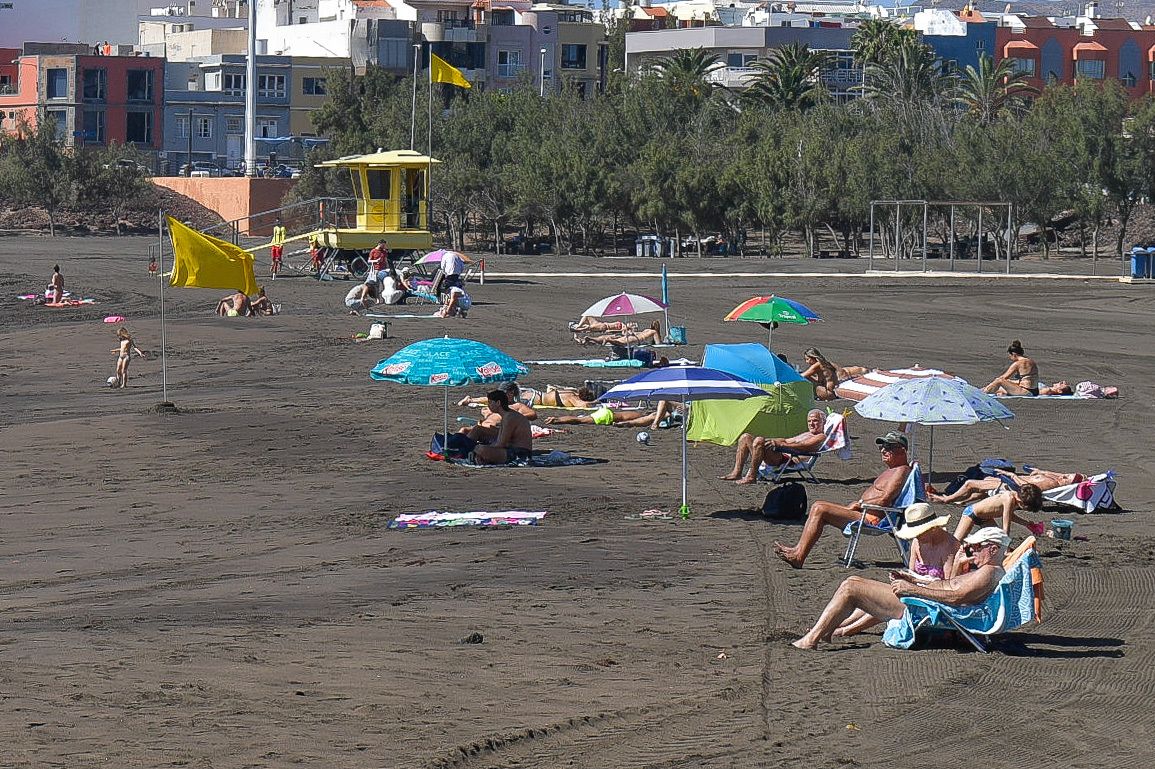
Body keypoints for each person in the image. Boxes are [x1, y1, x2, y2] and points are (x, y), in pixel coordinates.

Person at [791, 526, 1010, 650]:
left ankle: (812, 639)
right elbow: (950, 587)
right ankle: (823, 633)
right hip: (930, 604)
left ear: (993, 548)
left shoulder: (988, 572)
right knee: (854, 582)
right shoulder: (986, 570)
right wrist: (918, 580)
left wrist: (912, 590)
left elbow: (955, 598)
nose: (971, 550)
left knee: (851, 587)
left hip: (925, 608)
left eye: (976, 547)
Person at [773, 431, 912, 568]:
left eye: (888, 447)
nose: (883, 450)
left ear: (902, 450)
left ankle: (799, 556)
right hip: (865, 512)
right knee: (818, 505)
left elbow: (884, 499)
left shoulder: (901, 470)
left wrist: (860, 503)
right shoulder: (893, 470)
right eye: (882, 447)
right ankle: (797, 551)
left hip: (871, 519)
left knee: (820, 509)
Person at [832, 502, 963, 639]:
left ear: (933, 528)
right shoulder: (917, 542)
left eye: (919, 532)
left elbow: (949, 587)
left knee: (885, 602)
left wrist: (916, 583)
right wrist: (903, 577)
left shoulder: (950, 547)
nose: (916, 536)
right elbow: (912, 572)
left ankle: (847, 629)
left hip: (935, 600)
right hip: (915, 591)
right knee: (872, 596)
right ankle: (841, 624)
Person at [721, 409, 827, 485]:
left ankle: (752, 476)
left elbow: (804, 445)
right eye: (809, 421)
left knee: (758, 441)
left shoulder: (821, 436)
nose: (811, 423)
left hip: (788, 460)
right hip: (781, 454)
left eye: (815, 420)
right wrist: (772, 441)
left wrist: (780, 445)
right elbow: (785, 440)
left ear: (823, 422)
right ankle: (737, 472)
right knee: (745, 437)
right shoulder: (805, 434)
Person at [930, 467, 1083, 504]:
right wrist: (1040, 471)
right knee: (985, 484)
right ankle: (962, 500)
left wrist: (1012, 475)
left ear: (1069, 484)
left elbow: (1028, 488)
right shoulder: (1055, 478)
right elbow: (1051, 474)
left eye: (1067, 478)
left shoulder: (1051, 484)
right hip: (1010, 484)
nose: (1064, 475)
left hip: (1011, 486)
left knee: (971, 483)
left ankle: (946, 499)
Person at [953, 484, 1046, 539]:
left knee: (996, 539)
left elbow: (1011, 515)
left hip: (985, 519)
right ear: (1022, 502)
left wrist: (1027, 524)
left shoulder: (1016, 501)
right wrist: (1005, 545)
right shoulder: (1008, 499)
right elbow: (1006, 523)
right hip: (971, 514)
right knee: (955, 542)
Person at [471, 389, 534, 465]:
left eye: (490, 402)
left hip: (521, 454)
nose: (488, 405)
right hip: (514, 450)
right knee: (479, 446)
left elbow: (501, 444)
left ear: (498, 403)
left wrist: (482, 449)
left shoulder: (509, 417)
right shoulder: (506, 416)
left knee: (480, 449)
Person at [544, 400, 681, 430]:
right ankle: (558, 420)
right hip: (606, 416)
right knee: (580, 421)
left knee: (580, 419)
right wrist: (558, 420)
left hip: (606, 414)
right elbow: (576, 419)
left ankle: (558, 419)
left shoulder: (636, 414)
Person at [800, 347, 868, 401]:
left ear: (814, 357)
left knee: (807, 378)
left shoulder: (817, 365)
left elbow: (802, 376)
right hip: (834, 392)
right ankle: (864, 370)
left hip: (828, 394)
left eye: (808, 359)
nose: (807, 362)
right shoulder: (827, 363)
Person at [460, 384, 598, 410]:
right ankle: (471, 400)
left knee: (502, 396)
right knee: (503, 399)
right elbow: (584, 406)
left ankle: (471, 399)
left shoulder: (570, 391)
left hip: (534, 393)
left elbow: (551, 387)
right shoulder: (573, 398)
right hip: (534, 399)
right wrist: (598, 402)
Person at [579, 320, 662, 347]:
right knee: (619, 343)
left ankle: (592, 339)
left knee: (616, 340)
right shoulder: (654, 332)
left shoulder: (646, 330)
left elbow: (637, 333)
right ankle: (608, 339)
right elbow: (658, 343)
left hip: (633, 336)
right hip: (635, 339)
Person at [570, 317, 638, 335]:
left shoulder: (624, 328)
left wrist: (609, 331)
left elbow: (616, 331)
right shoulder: (623, 324)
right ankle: (577, 327)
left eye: (631, 324)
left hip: (604, 327)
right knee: (587, 317)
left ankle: (576, 328)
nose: (630, 322)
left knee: (588, 328)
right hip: (602, 324)